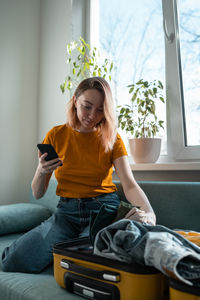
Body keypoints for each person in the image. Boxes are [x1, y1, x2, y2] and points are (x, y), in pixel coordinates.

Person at [1, 77, 156, 274]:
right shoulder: (56, 135)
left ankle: (67, 253)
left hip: (102, 211)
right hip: (66, 213)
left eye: (100, 109)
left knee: (84, 265)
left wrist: (149, 211)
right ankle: (61, 250)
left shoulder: (112, 139)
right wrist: (41, 171)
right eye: (87, 106)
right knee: (11, 261)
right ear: (75, 101)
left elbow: (130, 184)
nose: (92, 115)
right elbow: (37, 193)